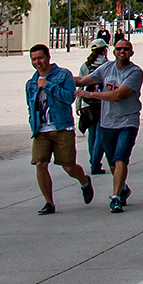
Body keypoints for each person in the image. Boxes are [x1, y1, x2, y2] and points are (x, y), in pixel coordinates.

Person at [74, 37, 143, 213]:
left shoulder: (135, 72)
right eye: (119, 49)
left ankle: (116, 197)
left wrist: (90, 96)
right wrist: (58, 76)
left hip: (127, 121)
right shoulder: (106, 68)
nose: (122, 52)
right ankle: (123, 188)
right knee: (112, 162)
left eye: (126, 49)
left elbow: (118, 95)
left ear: (131, 52)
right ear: (113, 51)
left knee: (121, 158)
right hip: (108, 122)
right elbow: (83, 81)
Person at [26, 44, 94, 214]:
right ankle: (49, 202)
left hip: (62, 127)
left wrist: (48, 85)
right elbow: (30, 106)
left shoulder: (63, 75)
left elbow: (68, 98)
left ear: (48, 57)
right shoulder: (31, 83)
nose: (37, 62)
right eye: (34, 59)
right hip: (41, 129)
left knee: (68, 166)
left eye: (40, 58)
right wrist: (32, 123)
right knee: (40, 164)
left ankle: (84, 180)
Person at [78, 39, 109, 173]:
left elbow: (80, 84)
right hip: (103, 102)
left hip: (88, 103)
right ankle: (96, 163)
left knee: (91, 135)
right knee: (100, 134)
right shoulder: (108, 65)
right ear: (104, 50)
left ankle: (93, 161)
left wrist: (78, 106)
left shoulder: (85, 66)